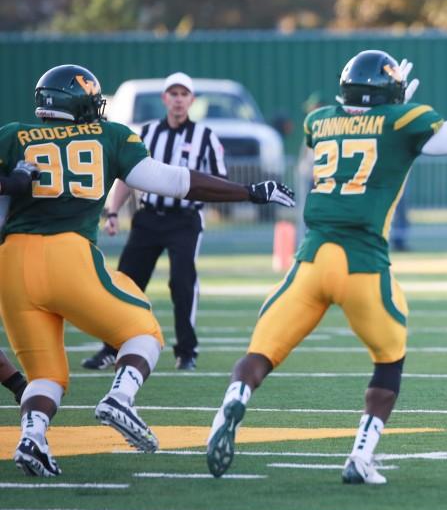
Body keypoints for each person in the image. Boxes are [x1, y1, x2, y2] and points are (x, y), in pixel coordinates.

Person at [205, 8, 447, 483]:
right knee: (389, 360)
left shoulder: (320, 121)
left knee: (261, 352)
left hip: (310, 259)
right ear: (391, 96)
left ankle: (234, 401)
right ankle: (361, 457)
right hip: (362, 263)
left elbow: (361, 126)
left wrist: (387, 107)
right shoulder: (403, 118)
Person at [0, 64, 294, 477]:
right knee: (144, 333)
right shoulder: (109, 135)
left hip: (10, 265)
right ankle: (120, 397)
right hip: (67, 253)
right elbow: (174, 181)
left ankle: (32, 438)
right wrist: (248, 192)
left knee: (45, 375)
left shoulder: (12, 135)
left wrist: (10, 181)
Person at [80, 72, 228, 372]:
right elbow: (126, 176)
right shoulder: (145, 133)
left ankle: (187, 351)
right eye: (172, 93)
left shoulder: (206, 137)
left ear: (191, 100)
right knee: (126, 282)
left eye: (183, 94)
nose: (178, 99)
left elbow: (218, 180)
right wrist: (112, 212)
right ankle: (111, 347)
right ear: (164, 98)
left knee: (182, 283)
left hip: (185, 220)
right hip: (148, 218)